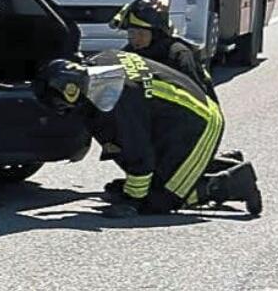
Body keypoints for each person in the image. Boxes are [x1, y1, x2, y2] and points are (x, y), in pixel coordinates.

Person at [36, 50, 262, 218]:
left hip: (200, 125)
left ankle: (235, 183)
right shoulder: (98, 64)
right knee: (151, 183)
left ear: (73, 92)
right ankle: (216, 165)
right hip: (177, 121)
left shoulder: (116, 106)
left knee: (161, 201)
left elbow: (139, 156)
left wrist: (132, 201)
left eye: (63, 106)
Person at [110, 0, 215, 101]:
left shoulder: (179, 54)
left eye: (141, 33)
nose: (135, 39)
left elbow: (195, 95)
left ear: (156, 34)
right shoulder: (130, 53)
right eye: (131, 33)